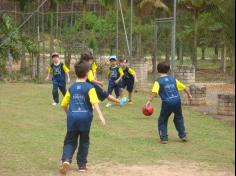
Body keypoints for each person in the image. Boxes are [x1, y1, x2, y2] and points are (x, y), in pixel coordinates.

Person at [59, 61, 106, 174]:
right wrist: (101, 116)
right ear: (87, 73)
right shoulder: (90, 87)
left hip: (72, 116)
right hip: (85, 117)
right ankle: (81, 165)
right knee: (84, 140)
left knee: (70, 140)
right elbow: (95, 102)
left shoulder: (72, 88)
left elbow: (63, 104)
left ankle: (66, 160)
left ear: (76, 73)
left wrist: (68, 114)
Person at [146, 61, 192, 144]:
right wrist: (189, 95)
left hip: (167, 102)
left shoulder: (158, 81)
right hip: (177, 101)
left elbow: (154, 92)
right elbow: (183, 87)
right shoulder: (173, 79)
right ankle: (183, 135)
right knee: (179, 117)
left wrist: (149, 101)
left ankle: (164, 138)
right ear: (168, 70)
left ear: (158, 70)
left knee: (162, 120)